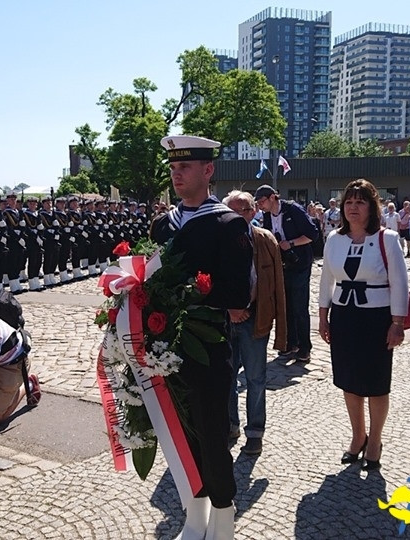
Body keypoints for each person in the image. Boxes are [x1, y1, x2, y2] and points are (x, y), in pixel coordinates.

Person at [149, 135, 252, 539]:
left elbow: (239, 294)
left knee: (211, 435)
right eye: (173, 168)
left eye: (185, 167)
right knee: (179, 434)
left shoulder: (228, 224)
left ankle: (223, 517)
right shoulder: (163, 224)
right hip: (164, 347)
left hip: (206, 348)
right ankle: (195, 510)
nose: (177, 174)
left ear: (208, 171)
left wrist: (185, 294)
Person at [319, 179, 409, 472]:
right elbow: (325, 282)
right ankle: (358, 435)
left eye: (360, 202)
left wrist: (397, 323)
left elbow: (399, 283)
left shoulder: (388, 239)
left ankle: (375, 440)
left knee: (376, 382)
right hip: (344, 316)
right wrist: (322, 317)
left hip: (377, 317)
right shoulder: (334, 239)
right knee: (348, 380)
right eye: (348, 202)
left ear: (372, 207)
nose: (353, 208)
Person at [222, 190, 287, 457]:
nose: (240, 216)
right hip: (225, 321)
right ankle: (230, 427)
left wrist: (282, 330)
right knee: (226, 379)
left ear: (254, 212)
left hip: (256, 320)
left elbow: (278, 287)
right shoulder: (219, 240)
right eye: (233, 212)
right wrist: (230, 309)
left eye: (246, 210)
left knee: (256, 379)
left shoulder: (266, 240)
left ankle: (255, 433)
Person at [255, 184, 318, 363]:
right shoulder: (267, 216)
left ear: (273, 197)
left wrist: (290, 243)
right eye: (258, 203)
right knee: (285, 306)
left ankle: (305, 347)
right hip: (282, 265)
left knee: (299, 307)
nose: (260, 206)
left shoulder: (293, 210)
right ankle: (290, 344)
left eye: (262, 201)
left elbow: (312, 234)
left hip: (300, 264)